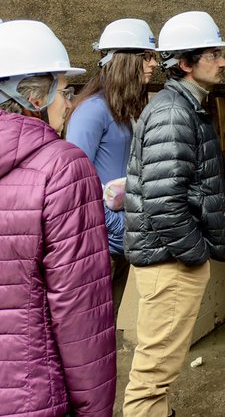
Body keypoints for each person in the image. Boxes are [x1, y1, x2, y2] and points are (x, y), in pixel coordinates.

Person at [0, 19, 116, 415]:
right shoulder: (62, 167)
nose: (70, 103)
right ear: (32, 94)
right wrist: (94, 410)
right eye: (64, 90)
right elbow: (81, 313)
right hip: (32, 398)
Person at [123, 10, 225, 417]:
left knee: (162, 366)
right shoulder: (173, 113)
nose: (223, 61)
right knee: (153, 373)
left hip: (170, 258)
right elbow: (162, 200)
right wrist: (195, 252)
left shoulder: (186, 106)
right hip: (170, 261)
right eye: (213, 53)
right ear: (185, 63)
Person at [66, 17, 158, 310]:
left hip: (118, 239)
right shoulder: (92, 111)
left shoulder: (117, 110)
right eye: (145, 57)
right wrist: (116, 226)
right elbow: (73, 184)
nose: (153, 64)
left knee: (108, 324)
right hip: (100, 243)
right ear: (124, 62)